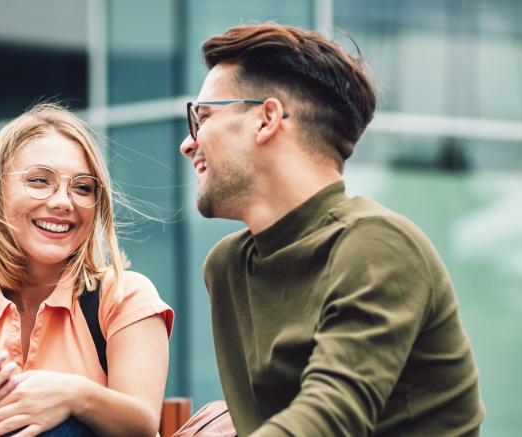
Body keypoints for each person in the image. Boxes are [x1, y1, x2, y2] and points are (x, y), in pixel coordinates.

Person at [178, 23, 485, 436]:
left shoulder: (378, 245)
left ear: (266, 119)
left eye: (204, 116)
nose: (188, 142)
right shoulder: (228, 266)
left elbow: (329, 419)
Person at [0, 103, 174, 437]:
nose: (64, 201)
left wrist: (73, 396)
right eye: (39, 180)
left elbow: (144, 423)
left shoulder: (124, 296)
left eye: (82, 187)